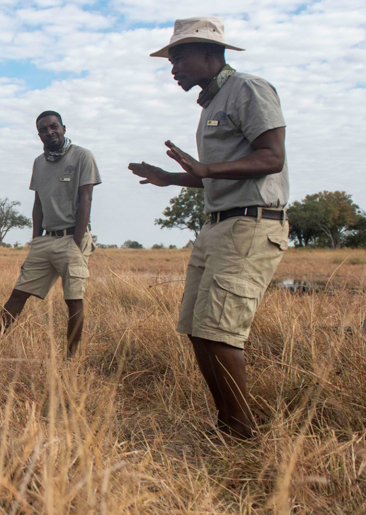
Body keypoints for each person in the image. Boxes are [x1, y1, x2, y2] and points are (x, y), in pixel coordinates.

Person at [129, 17, 289, 440]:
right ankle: (226, 425)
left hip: (250, 223)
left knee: (220, 332)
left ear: (208, 52)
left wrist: (207, 169)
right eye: (171, 59)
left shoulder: (249, 89)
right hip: (218, 224)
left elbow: (271, 157)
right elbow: (212, 174)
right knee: (199, 331)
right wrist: (172, 177)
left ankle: (242, 433)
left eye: (178, 57)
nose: (173, 67)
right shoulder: (211, 105)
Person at [0, 111, 100, 358]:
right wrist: (35, 240)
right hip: (45, 239)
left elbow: (86, 199)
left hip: (72, 237)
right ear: (39, 134)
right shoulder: (39, 162)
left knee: (73, 299)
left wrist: (76, 242)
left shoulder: (82, 156)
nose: (49, 132)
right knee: (18, 293)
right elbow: (38, 204)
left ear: (63, 127)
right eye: (43, 130)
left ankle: (70, 358)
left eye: (54, 127)